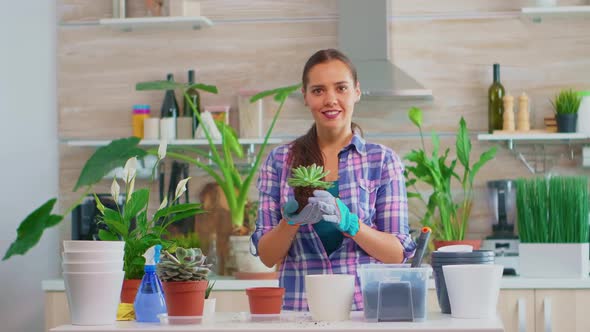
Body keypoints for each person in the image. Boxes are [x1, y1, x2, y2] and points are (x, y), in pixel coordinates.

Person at [250, 48, 416, 311]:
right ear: (305, 96)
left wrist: (351, 224)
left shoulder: (383, 161)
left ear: (357, 92)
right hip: (299, 312)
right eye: (318, 90)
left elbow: (397, 254)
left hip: (365, 312)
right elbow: (268, 256)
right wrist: (289, 223)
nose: (330, 99)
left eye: (341, 88)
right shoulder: (280, 162)